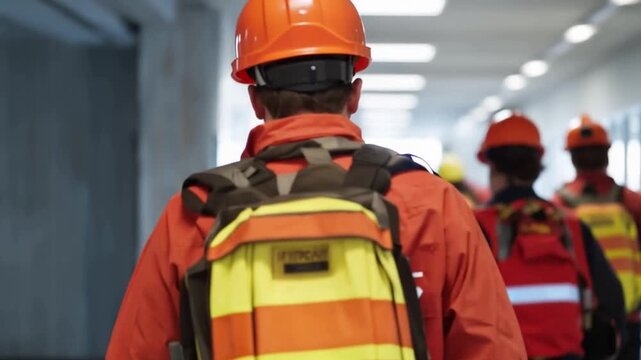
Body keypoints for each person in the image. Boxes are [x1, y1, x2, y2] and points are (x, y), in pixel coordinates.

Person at [106, 1, 526, 359]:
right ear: (354, 93)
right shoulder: (433, 204)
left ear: (255, 99)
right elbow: (494, 347)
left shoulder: (195, 213)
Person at [474, 113, 626, 359]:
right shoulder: (571, 226)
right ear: (536, 166)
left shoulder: (476, 226)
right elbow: (612, 302)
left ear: (491, 165)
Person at [555, 114, 641, 360]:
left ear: (571, 157)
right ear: (608, 152)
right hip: (629, 313)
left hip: (586, 316)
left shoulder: (558, 206)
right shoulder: (632, 202)